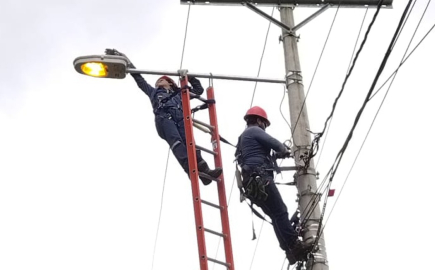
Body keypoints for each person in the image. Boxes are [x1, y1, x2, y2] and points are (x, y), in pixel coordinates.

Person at [105, 49, 222, 185]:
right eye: (157, 81)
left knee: (190, 143)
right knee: (178, 143)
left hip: (180, 120)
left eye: (162, 80)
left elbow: (198, 90)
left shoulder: (180, 94)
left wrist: (189, 78)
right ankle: (191, 170)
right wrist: (126, 60)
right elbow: (139, 78)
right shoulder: (154, 93)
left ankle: (205, 172)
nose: (158, 82)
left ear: (170, 84)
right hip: (164, 119)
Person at [234, 106, 310, 264]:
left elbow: (259, 154)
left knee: (276, 215)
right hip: (260, 179)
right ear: (259, 121)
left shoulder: (243, 138)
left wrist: (276, 155)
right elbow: (275, 144)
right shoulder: (254, 131)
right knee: (280, 211)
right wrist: (284, 150)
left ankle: (290, 250)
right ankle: (294, 245)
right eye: (265, 124)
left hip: (251, 184)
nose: (264, 128)